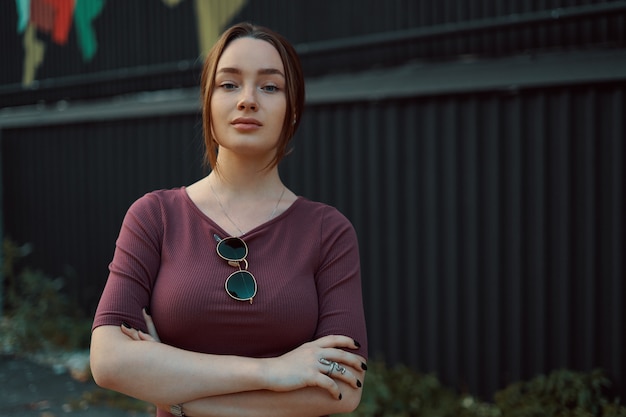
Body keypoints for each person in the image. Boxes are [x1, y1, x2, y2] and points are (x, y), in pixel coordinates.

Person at [90, 22, 368, 417]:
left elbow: (341, 388)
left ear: (292, 112)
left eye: (270, 87)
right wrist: (274, 371)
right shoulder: (154, 216)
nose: (248, 100)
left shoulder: (329, 232)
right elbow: (109, 361)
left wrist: (177, 394)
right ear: (208, 103)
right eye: (229, 84)